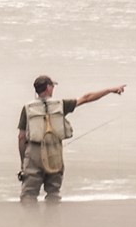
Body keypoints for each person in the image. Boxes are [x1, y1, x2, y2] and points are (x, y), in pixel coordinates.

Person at [17, 74, 124, 204]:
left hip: (33, 152)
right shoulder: (61, 105)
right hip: (54, 151)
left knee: (28, 194)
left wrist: (24, 162)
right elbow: (86, 98)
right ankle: (51, 221)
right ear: (48, 88)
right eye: (52, 86)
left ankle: (30, 222)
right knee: (53, 193)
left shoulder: (27, 108)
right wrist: (110, 90)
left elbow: (21, 137)